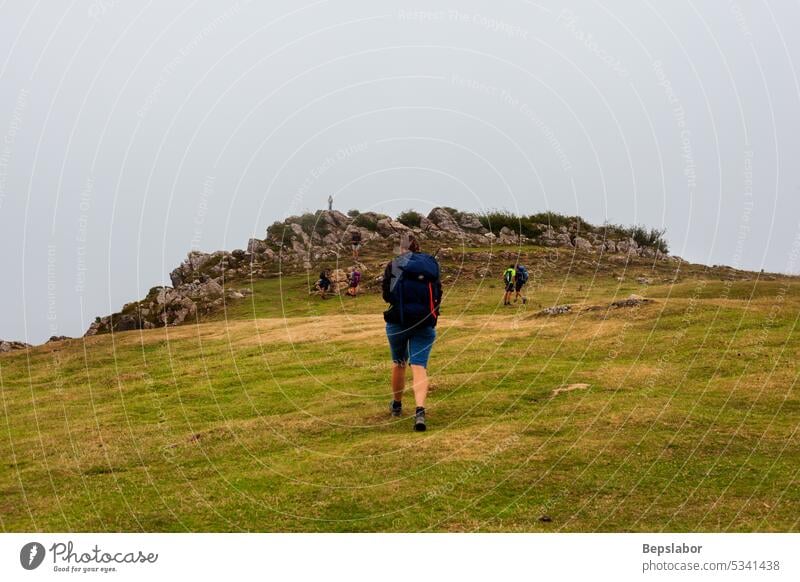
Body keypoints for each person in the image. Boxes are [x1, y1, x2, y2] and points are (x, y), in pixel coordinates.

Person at [382, 237, 442, 431]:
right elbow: (438, 293)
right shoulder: (431, 265)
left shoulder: (395, 265)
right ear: (418, 248)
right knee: (419, 366)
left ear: (401, 249)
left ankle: (397, 405)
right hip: (425, 323)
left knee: (399, 363)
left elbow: (387, 295)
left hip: (398, 323)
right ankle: (420, 411)